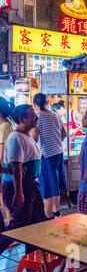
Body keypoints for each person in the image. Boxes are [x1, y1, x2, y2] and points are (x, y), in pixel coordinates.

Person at [0, 105, 45, 255]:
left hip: (30, 185)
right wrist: (19, 193)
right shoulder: (15, 138)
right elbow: (17, 167)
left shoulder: (27, 135)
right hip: (18, 187)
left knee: (35, 221)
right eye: (32, 115)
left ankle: (32, 257)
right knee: (19, 224)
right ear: (21, 119)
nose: (36, 118)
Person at [31, 93, 67, 220]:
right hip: (58, 152)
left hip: (46, 154)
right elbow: (64, 133)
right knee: (55, 184)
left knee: (46, 187)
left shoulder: (38, 117)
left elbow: (34, 139)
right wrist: (56, 141)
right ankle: (56, 212)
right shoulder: (55, 115)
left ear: (35, 105)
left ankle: (48, 216)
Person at [0, 97, 14, 223]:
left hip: (5, 169)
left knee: (6, 203)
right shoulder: (7, 124)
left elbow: (2, 152)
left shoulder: (4, 126)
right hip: (6, 169)